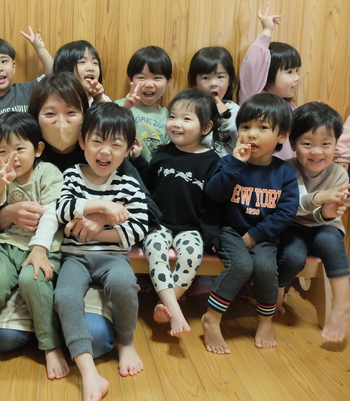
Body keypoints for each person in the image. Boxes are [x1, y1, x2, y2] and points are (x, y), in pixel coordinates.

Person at [0, 73, 131, 359]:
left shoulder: (100, 152)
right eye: (49, 114)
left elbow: (145, 207)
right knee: (2, 338)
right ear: (35, 117)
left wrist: (103, 218)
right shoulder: (19, 154)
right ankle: (49, 324)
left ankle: (61, 325)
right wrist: (7, 214)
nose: (61, 123)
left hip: (83, 258)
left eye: (71, 113)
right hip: (31, 260)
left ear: (85, 115)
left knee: (94, 340)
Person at [55, 102, 156, 401]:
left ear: (129, 148)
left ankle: (126, 342)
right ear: (82, 141)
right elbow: (62, 210)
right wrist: (103, 206)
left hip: (113, 257)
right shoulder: (72, 175)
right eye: (97, 141)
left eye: (116, 144)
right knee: (64, 296)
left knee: (124, 283)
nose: (105, 151)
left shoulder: (129, 183)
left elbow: (139, 227)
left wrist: (98, 230)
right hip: (74, 257)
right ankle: (88, 373)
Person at [0, 111, 68, 381]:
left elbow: (53, 213)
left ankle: (50, 345)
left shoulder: (48, 172)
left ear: (38, 149)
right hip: (7, 247)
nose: (13, 157)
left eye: (20, 148)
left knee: (34, 282)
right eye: (3, 151)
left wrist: (39, 249)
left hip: (44, 249)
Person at [202, 93, 298, 354]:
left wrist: (255, 236)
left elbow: (286, 213)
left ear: (282, 136)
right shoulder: (228, 163)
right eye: (245, 127)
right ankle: (212, 318)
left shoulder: (285, 173)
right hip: (230, 231)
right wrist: (235, 165)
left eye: (262, 127)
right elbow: (214, 195)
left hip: (264, 236)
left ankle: (265, 322)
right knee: (242, 265)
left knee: (266, 268)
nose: (251, 134)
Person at [134, 88, 222, 336]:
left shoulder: (212, 161)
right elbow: (148, 185)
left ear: (206, 127)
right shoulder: (163, 153)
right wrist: (139, 159)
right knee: (155, 250)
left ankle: (165, 305)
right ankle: (175, 309)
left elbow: (213, 203)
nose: (176, 123)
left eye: (186, 118)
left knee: (192, 256)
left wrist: (213, 234)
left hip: (191, 227)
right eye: (172, 116)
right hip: (159, 224)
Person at [277, 102, 350, 342]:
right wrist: (320, 198)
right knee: (292, 256)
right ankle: (278, 293)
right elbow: (292, 209)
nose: (317, 151)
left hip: (325, 226)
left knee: (330, 240)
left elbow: (330, 216)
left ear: (336, 144)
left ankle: (342, 305)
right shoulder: (287, 170)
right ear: (292, 144)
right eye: (307, 144)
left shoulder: (339, 174)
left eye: (326, 144)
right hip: (293, 226)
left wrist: (325, 213)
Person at [0, 30, 54, 158]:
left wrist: (40, 49)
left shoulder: (27, 90)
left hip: (32, 163)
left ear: (13, 66)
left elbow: (52, 76)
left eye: (4, 61)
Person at [239, 2, 301, 159]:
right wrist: (266, 30)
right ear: (266, 73)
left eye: (297, 71)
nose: (297, 78)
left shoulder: (292, 109)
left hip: (286, 171)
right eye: (289, 72)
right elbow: (252, 66)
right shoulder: (254, 100)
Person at [115, 46, 172, 162]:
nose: (149, 84)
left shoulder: (169, 117)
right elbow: (106, 131)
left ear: (168, 81)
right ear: (130, 79)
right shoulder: (119, 107)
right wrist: (126, 109)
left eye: (157, 78)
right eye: (141, 77)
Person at [188, 46, 239, 156]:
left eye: (220, 77)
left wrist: (226, 117)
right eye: (206, 78)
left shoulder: (235, 110)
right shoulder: (189, 108)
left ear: (229, 80)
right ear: (194, 82)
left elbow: (241, 139)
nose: (214, 83)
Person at [53, 40, 109, 105]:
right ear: (66, 69)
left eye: (95, 63)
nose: (91, 68)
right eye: (82, 62)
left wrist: (98, 99)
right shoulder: (55, 99)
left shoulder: (104, 100)